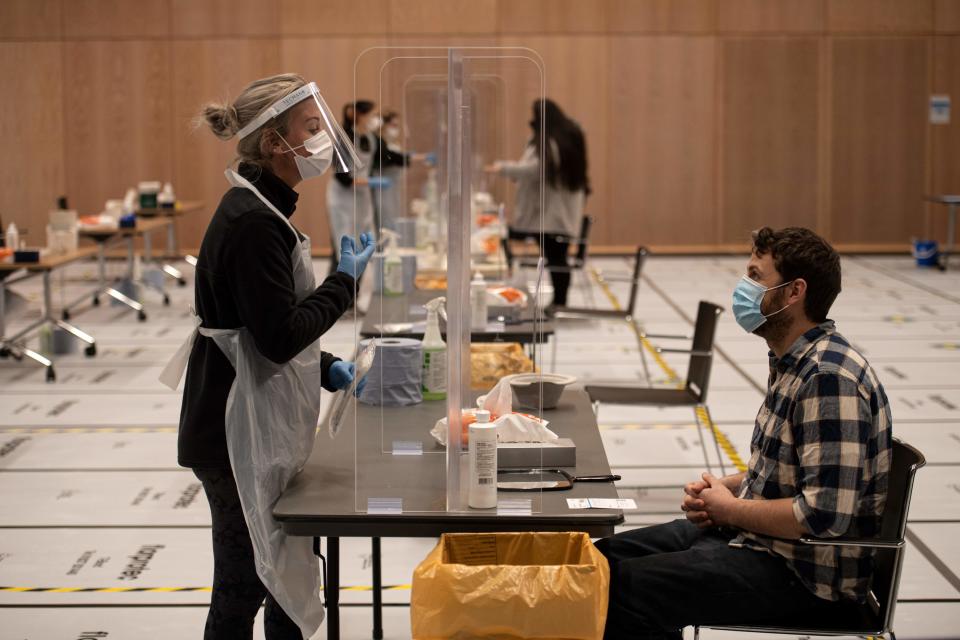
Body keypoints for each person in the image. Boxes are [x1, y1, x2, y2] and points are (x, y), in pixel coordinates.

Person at [596, 227, 893, 640]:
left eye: (756, 276)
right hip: (760, 543)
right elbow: (784, 471)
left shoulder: (828, 377)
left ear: (794, 292)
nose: (744, 288)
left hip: (806, 577)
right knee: (600, 561)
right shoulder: (794, 360)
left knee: (622, 590)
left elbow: (821, 516)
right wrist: (725, 488)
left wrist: (728, 509)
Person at [160, 73, 375, 640]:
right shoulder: (254, 220)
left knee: (282, 573)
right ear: (276, 144)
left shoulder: (265, 208)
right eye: (311, 128)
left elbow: (259, 322)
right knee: (244, 583)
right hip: (231, 429)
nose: (324, 136)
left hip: (253, 412)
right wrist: (344, 284)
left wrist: (324, 365)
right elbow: (277, 337)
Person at [486, 98, 590, 308]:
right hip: (556, 214)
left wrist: (503, 168)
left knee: (556, 259)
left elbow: (534, 169)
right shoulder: (563, 137)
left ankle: (560, 302)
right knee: (555, 258)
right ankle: (559, 302)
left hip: (553, 215)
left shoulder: (551, 142)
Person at [326, 100, 379, 274]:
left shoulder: (370, 138)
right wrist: (368, 182)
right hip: (343, 198)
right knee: (344, 243)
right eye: (373, 115)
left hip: (361, 197)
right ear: (361, 116)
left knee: (361, 242)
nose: (376, 119)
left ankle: (355, 290)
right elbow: (342, 177)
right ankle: (339, 289)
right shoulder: (345, 138)